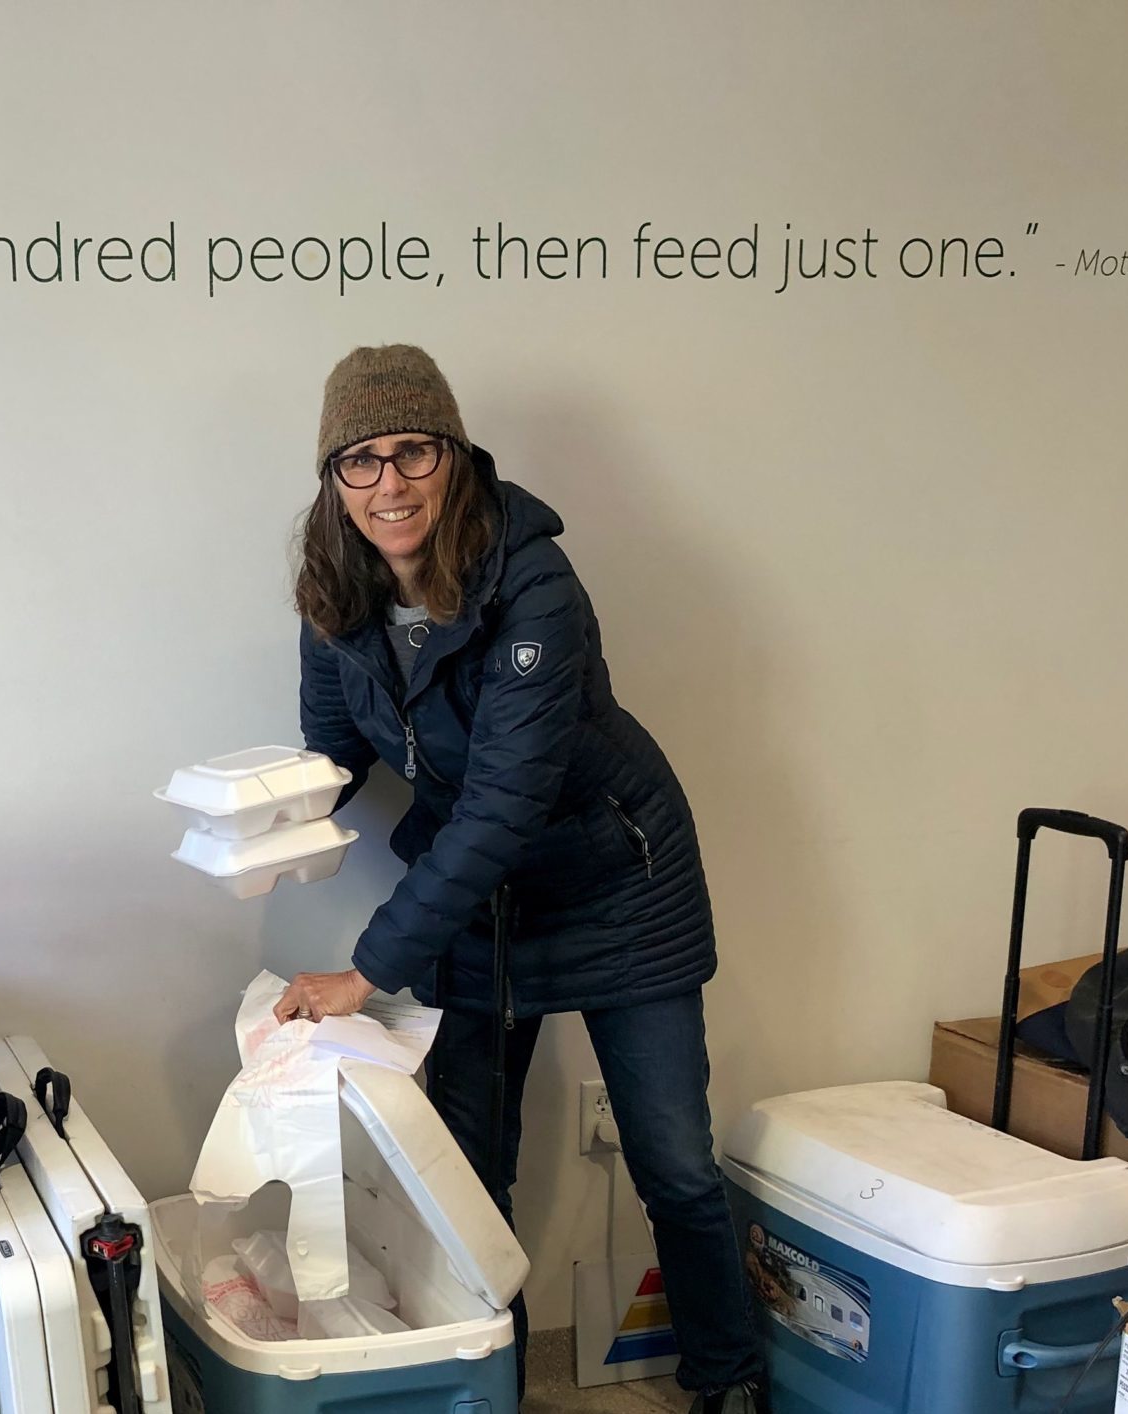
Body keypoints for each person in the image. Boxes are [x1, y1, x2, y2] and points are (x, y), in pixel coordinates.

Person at [271, 345, 769, 1414]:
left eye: (413, 451)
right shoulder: (333, 594)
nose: (389, 483)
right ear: (334, 480)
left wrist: (366, 971)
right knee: (466, 1168)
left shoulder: (533, 580)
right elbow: (332, 749)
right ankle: (481, 1388)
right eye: (360, 460)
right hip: (481, 901)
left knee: (674, 1164)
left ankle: (728, 1379)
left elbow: (504, 799)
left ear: (454, 457)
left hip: (616, 882)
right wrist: (264, 823)